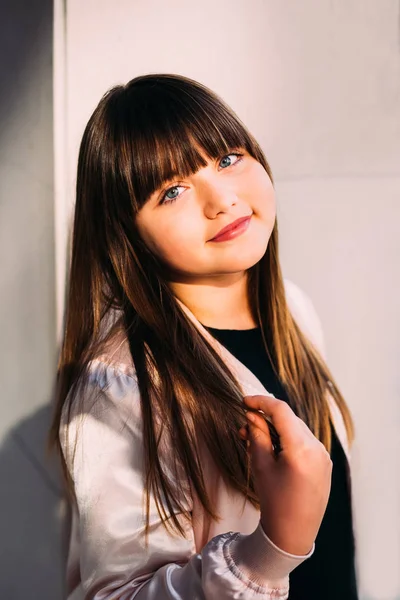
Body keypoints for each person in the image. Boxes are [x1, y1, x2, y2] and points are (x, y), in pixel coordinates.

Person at [49, 73, 358, 599]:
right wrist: (270, 549)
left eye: (228, 159)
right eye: (171, 191)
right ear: (129, 235)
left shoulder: (294, 312)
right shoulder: (120, 386)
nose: (221, 200)